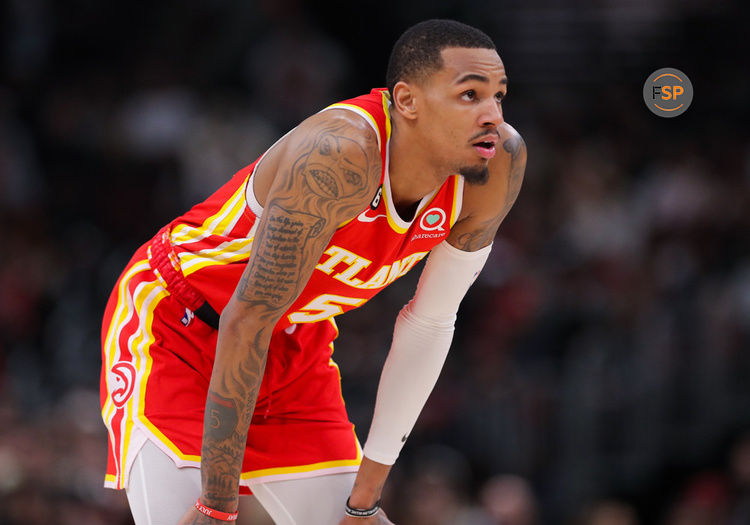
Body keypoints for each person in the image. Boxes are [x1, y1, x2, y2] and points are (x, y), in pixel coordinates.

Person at [100, 19, 526, 525]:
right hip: (181, 327)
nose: (492, 116)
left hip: (293, 345)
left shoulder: (497, 165)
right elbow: (247, 320)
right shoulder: (338, 156)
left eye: (498, 96)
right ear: (407, 102)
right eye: (470, 95)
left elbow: (430, 323)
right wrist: (216, 506)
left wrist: (363, 500)